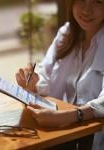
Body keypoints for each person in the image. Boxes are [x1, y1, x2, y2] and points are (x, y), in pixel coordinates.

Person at [15, 0, 104, 150]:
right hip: (63, 135)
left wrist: (70, 116)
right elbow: (45, 73)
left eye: (98, 2)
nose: (86, 10)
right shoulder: (67, 33)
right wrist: (33, 82)